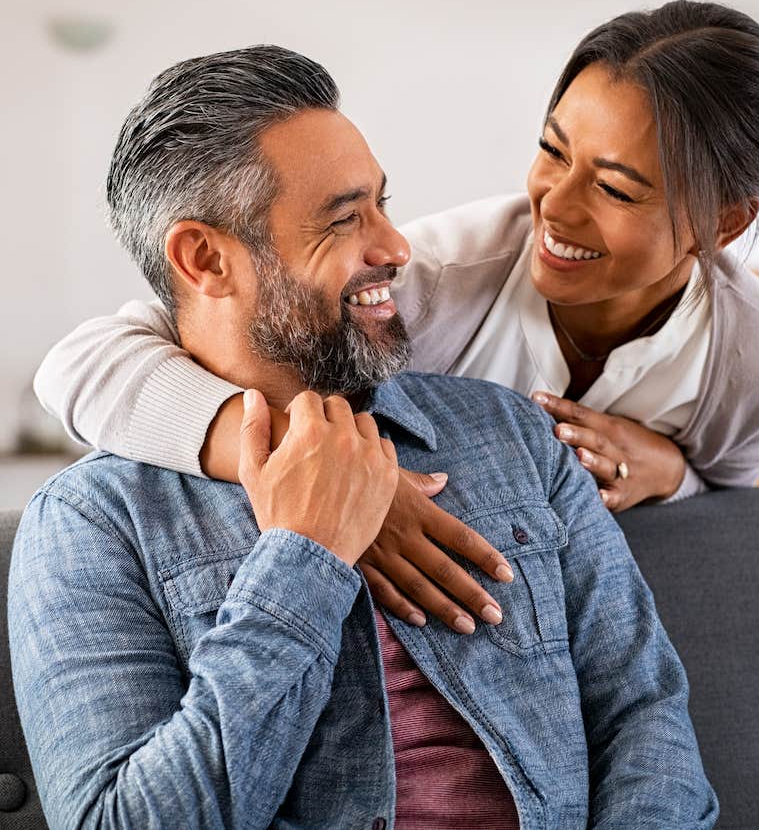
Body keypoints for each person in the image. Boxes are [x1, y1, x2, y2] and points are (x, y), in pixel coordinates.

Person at [9, 47, 718, 829]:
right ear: (205, 258)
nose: (396, 247)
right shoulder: (92, 524)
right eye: (345, 219)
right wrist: (303, 558)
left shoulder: (513, 435)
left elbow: (645, 715)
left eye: (383, 204)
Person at [34, 0, 759, 635]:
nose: (553, 206)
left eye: (616, 188)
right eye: (552, 150)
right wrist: (328, 475)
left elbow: (728, 510)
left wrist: (673, 474)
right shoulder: (436, 279)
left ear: (723, 225)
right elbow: (82, 365)